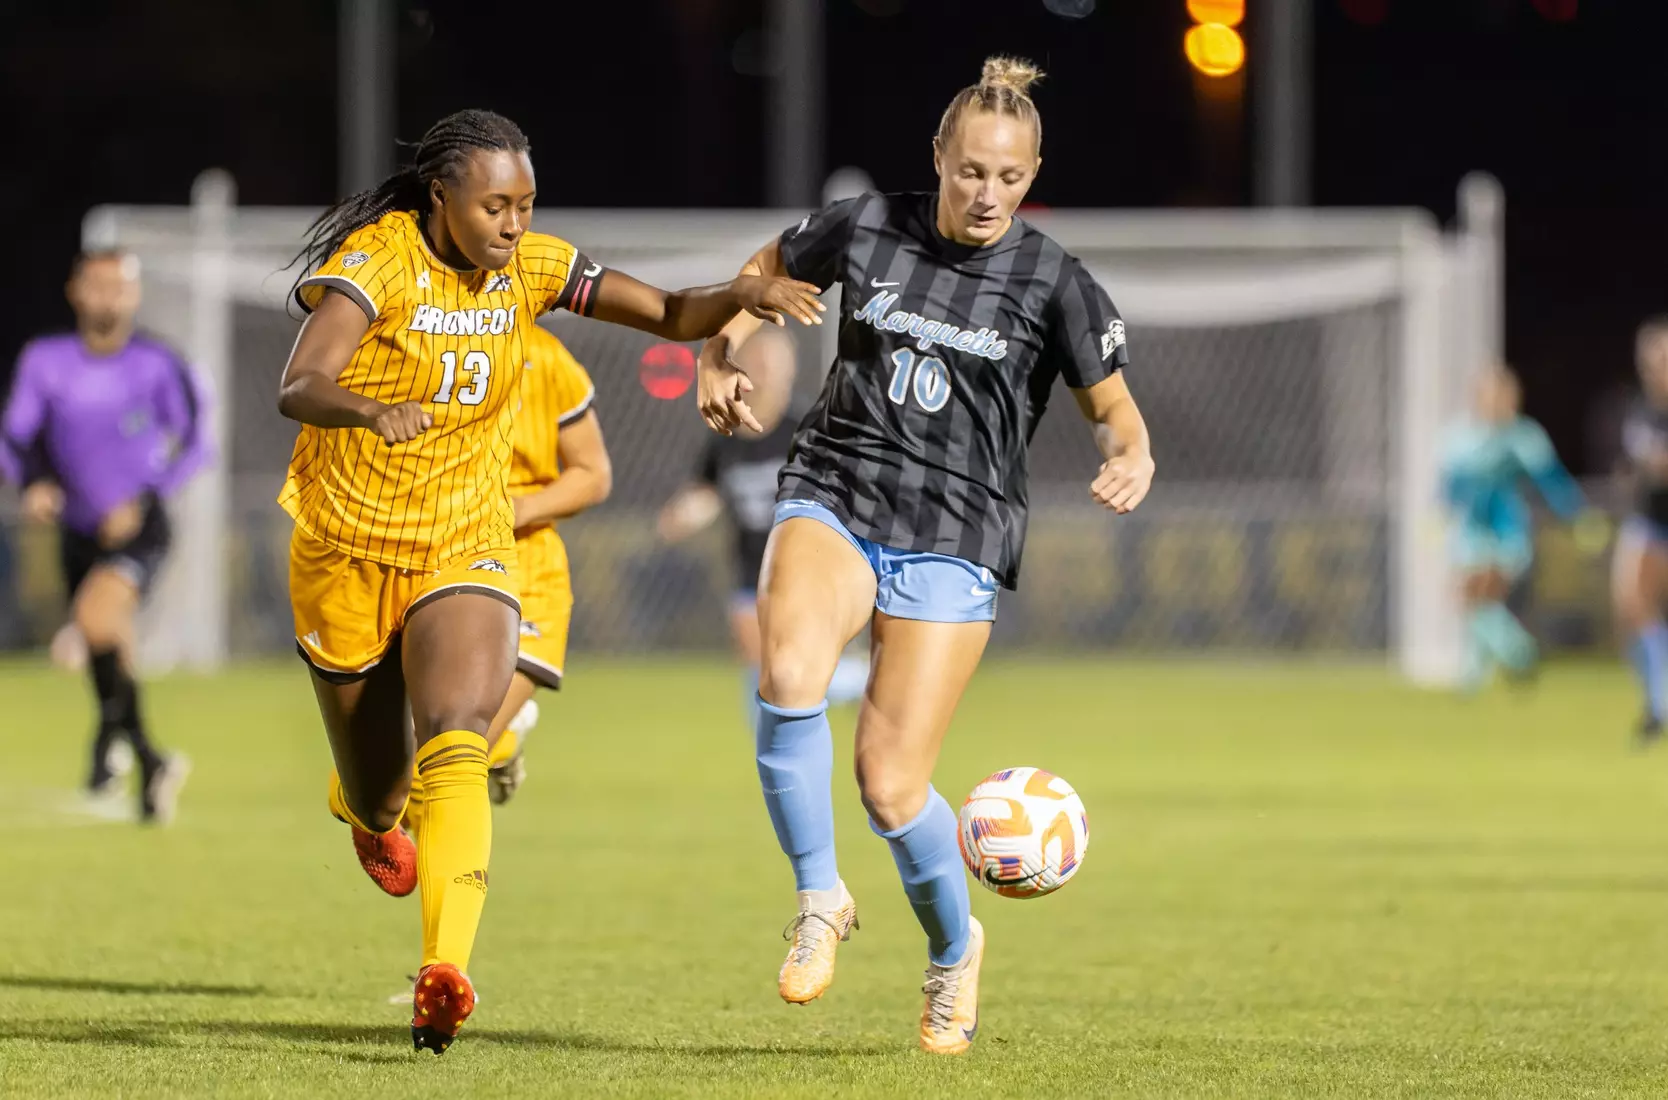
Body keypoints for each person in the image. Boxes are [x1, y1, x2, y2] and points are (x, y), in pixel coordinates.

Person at [278, 108, 822, 1054]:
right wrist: (371, 409)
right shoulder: (379, 260)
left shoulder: (531, 269)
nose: (515, 225)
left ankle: (444, 971)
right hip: (346, 545)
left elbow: (664, 312)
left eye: (527, 204)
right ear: (442, 195)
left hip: (465, 537)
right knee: (382, 794)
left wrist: (739, 294)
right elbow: (301, 381)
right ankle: (361, 805)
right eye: (496, 205)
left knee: (458, 736)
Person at [694, 58, 1154, 1054]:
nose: (988, 192)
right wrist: (718, 347)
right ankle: (820, 894)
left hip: (959, 527)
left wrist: (1133, 455)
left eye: (1010, 175)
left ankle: (953, 948)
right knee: (785, 673)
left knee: (892, 784)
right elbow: (763, 271)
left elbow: (1116, 414)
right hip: (836, 487)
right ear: (938, 157)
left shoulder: (1054, 281)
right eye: (971, 169)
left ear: (1032, 173)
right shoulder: (863, 227)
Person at [0, 250, 206, 822]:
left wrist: (143, 498)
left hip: (141, 528)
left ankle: (145, 756)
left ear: (134, 296)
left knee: (94, 620)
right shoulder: (46, 361)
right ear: (75, 291)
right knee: (105, 644)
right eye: (98, 285)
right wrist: (34, 483)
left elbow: (194, 444)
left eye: (120, 287)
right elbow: (14, 438)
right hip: (77, 528)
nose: (109, 297)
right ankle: (121, 758)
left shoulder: (156, 364)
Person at [658, 326, 867, 732]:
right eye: (758, 363)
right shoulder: (728, 436)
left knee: (779, 666)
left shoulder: (808, 431)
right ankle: (779, 739)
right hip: (750, 567)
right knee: (760, 663)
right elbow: (708, 491)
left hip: (806, 569)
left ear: (790, 371)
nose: (765, 373)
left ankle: (854, 683)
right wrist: (683, 515)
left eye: (774, 364)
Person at [1439, 365, 1600, 693]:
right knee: (1470, 596)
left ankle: (1508, 653)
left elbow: (1551, 480)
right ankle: (1489, 664)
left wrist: (1577, 514)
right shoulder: (1459, 438)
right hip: (1471, 528)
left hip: (1507, 527)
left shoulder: (1524, 436)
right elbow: (1449, 487)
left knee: (1483, 594)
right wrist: (1437, 515)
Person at [1613, 318, 1668, 744]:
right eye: (1651, 359)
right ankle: (1657, 702)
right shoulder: (1640, 410)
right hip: (1649, 522)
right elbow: (1641, 464)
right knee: (1632, 607)